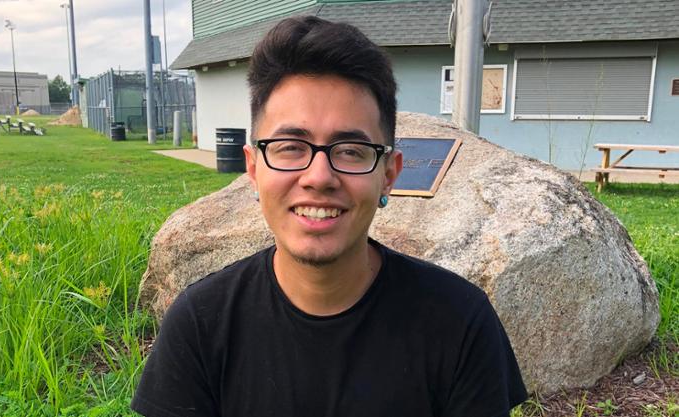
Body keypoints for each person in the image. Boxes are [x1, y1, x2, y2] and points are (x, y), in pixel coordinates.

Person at [131, 15, 527, 417]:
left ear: (389, 174)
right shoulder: (201, 325)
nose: (319, 177)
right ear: (253, 168)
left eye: (351, 151)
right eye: (290, 147)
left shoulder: (460, 323)